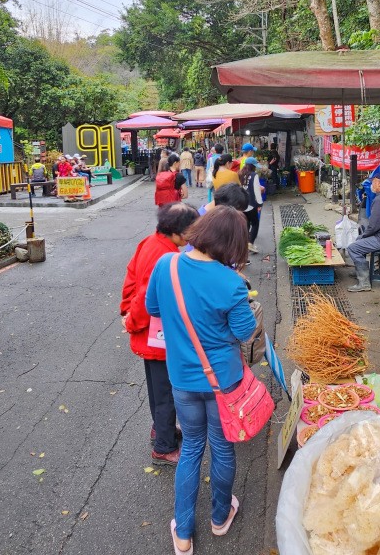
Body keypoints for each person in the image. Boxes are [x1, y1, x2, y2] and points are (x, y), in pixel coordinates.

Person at [145, 207, 257, 554]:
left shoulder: (167, 265)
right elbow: (245, 332)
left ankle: (183, 533)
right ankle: (220, 518)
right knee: (222, 447)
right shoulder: (231, 283)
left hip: (182, 379)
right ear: (231, 244)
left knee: (192, 447)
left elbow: (153, 308)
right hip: (223, 380)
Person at [121, 203, 200, 465]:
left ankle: (160, 428)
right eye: (190, 230)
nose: (193, 236)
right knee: (167, 391)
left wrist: (126, 311)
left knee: (157, 388)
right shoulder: (165, 256)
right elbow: (146, 296)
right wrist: (132, 321)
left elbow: (131, 278)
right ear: (176, 231)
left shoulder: (150, 242)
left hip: (147, 331)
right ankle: (164, 448)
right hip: (157, 334)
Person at [238, 158, 265, 254]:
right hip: (251, 204)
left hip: (242, 204)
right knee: (255, 223)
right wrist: (260, 203)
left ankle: (244, 243)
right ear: (253, 166)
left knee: (246, 223)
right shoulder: (254, 175)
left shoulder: (240, 174)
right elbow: (257, 191)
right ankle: (250, 243)